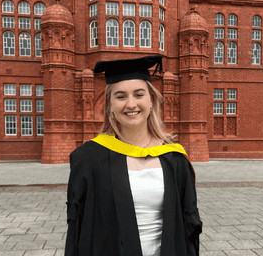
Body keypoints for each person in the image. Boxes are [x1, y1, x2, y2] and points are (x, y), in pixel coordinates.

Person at [64, 55, 202, 256]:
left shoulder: (175, 159)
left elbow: (190, 224)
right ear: (109, 104)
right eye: (120, 96)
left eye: (139, 95)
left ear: (151, 100)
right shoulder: (89, 159)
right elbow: (77, 228)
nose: (131, 104)